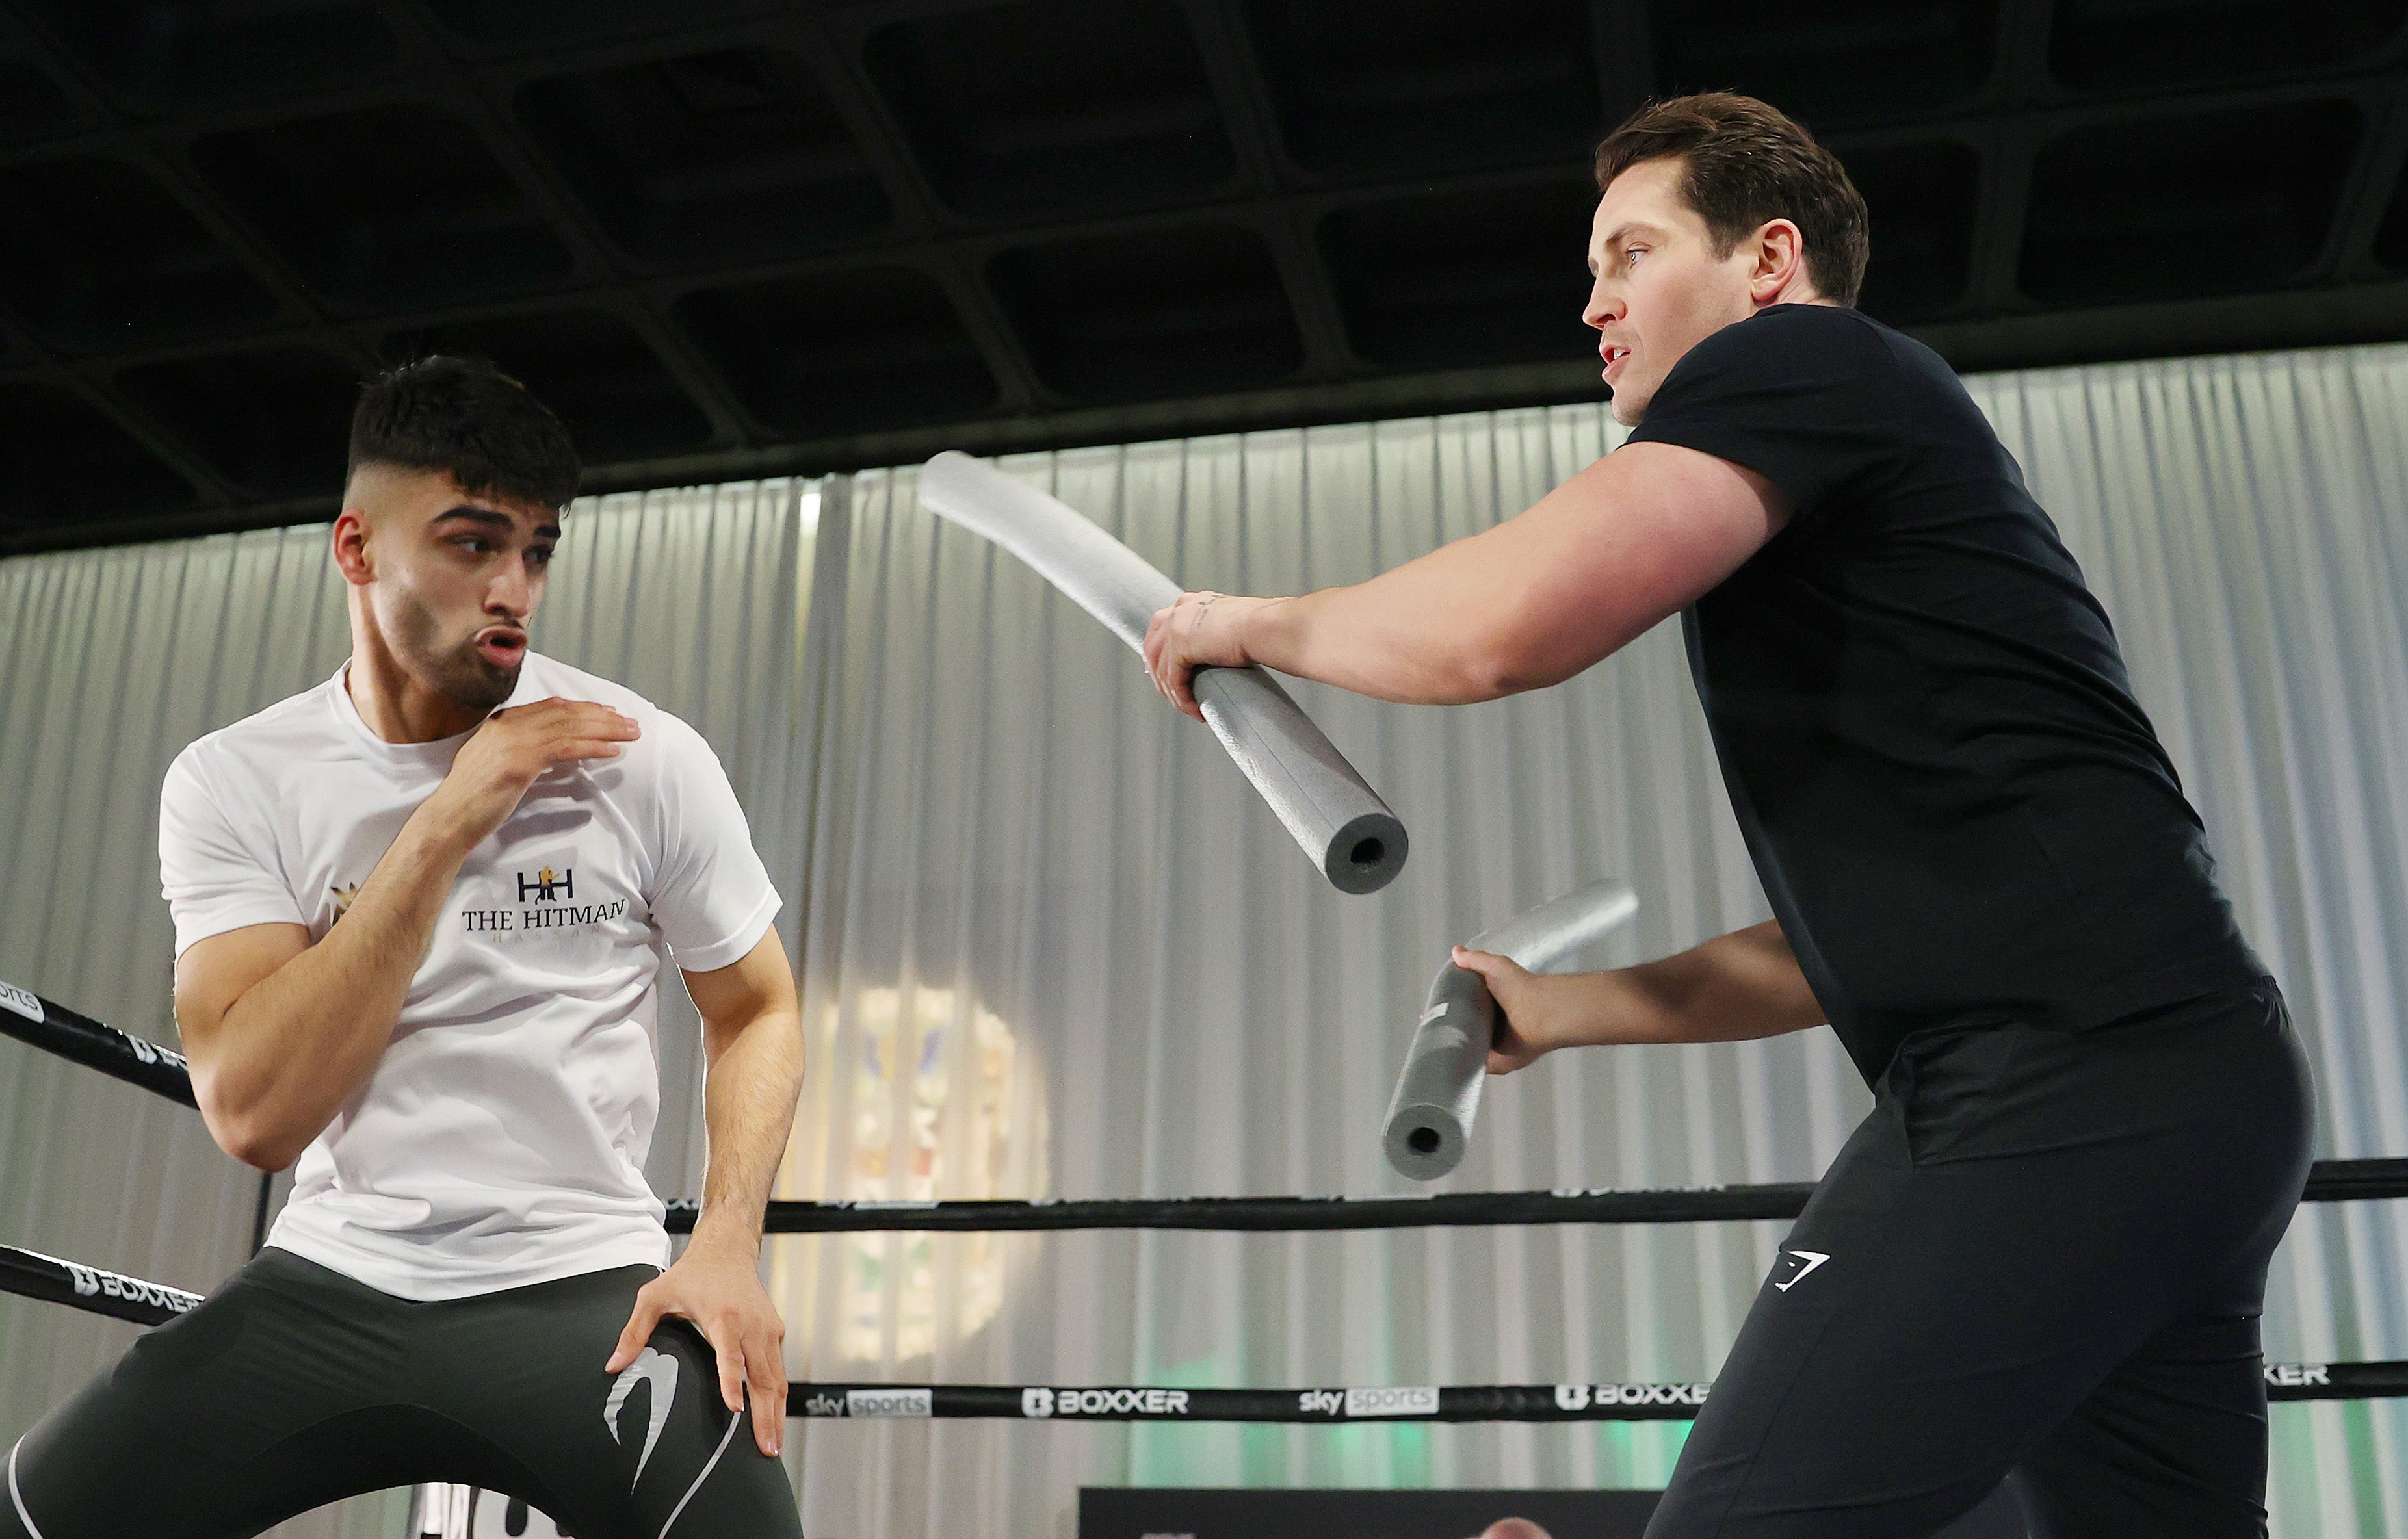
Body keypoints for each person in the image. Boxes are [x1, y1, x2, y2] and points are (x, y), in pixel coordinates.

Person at [1142, 94, 2311, 1538]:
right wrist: (1568, 1009)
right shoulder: (1843, 485)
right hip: (2193, 1085)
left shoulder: (1808, 361)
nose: (1593, 303)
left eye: (1628, 254)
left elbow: (1495, 632)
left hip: (2059, 1079)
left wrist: (1240, 621)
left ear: (1766, 260)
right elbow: (1862, 938)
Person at [3, 357, 807, 1539]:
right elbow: (253, 1117)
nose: (515, 591)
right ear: (357, 548)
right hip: (333, 1284)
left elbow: (760, 1009)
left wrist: (727, 1250)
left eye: (537, 550)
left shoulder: (641, 756)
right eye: (473, 544)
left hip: (585, 1291)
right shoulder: (236, 781)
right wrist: (445, 820)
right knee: (40, 1514)